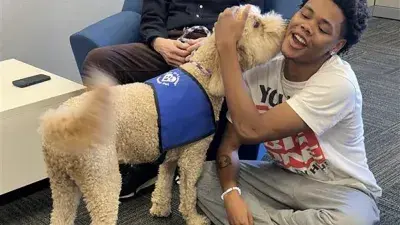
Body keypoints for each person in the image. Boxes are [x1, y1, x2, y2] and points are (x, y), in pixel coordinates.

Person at [197, 1, 382, 225]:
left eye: (323, 29)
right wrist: (231, 193)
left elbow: (251, 129)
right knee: (201, 176)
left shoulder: (339, 83)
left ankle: (259, 217)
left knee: (353, 220)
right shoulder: (262, 67)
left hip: (338, 189)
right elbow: (230, 145)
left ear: (336, 46)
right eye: (305, 15)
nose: (306, 26)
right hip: (281, 177)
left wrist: (226, 46)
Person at [81, 0, 265, 199]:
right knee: (98, 62)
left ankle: (151, 164)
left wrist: (215, 42)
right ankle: (122, 156)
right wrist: (158, 42)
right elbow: (152, 14)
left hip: (214, 50)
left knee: (213, 81)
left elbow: (251, 18)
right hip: (169, 46)